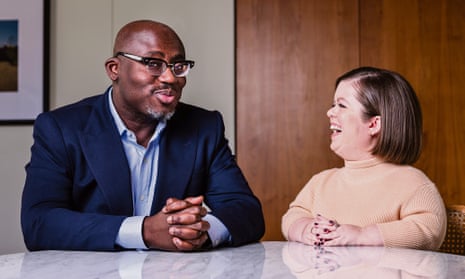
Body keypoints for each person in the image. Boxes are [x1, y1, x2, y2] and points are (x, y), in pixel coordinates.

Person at [21, 20, 265, 252]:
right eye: (153, 63)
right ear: (114, 69)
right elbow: (39, 223)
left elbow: (247, 212)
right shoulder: (61, 129)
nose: (171, 78)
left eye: (178, 66)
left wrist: (200, 232)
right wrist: (144, 231)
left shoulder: (204, 127)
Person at [281, 66, 447, 250]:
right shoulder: (321, 182)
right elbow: (294, 214)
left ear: (374, 124)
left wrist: (363, 235)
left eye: (342, 105)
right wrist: (304, 228)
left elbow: (428, 230)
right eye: (332, 105)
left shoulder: (413, 184)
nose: (330, 112)